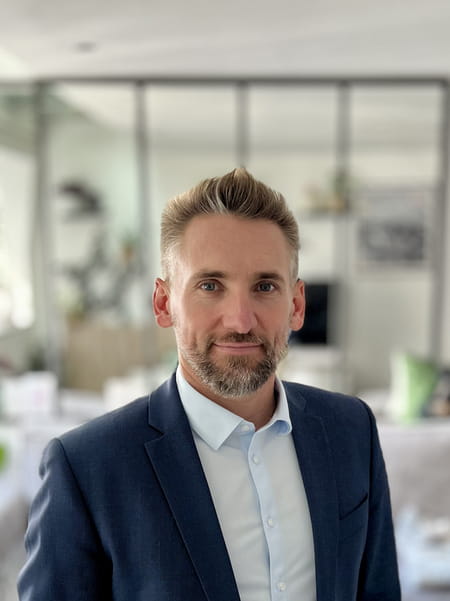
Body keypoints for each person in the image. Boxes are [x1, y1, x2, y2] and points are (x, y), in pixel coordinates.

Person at [18, 168, 401, 601]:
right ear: (164, 303)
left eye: (264, 286)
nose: (240, 321)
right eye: (210, 285)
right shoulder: (86, 467)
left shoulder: (351, 429)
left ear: (296, 305)